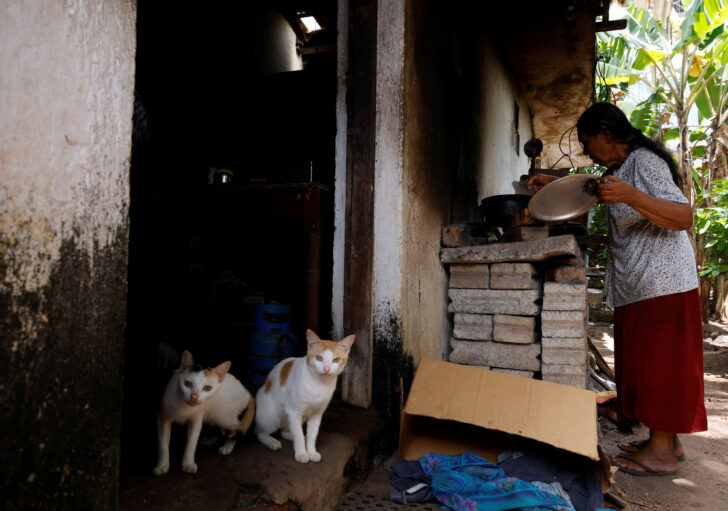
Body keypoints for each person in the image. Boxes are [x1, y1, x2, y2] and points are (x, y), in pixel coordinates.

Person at [526, 102, 707, 476]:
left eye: (589, 142)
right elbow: (593, 186)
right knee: (648, 365)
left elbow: (684, 216)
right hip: (642, 284)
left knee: (661, 368)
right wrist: (553, 184)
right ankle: (667, 441)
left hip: (663, 283)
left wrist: (631, 197)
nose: (588, 151)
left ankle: (661, 454)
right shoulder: (621, 168)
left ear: (607, 134)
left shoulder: (644, 162)